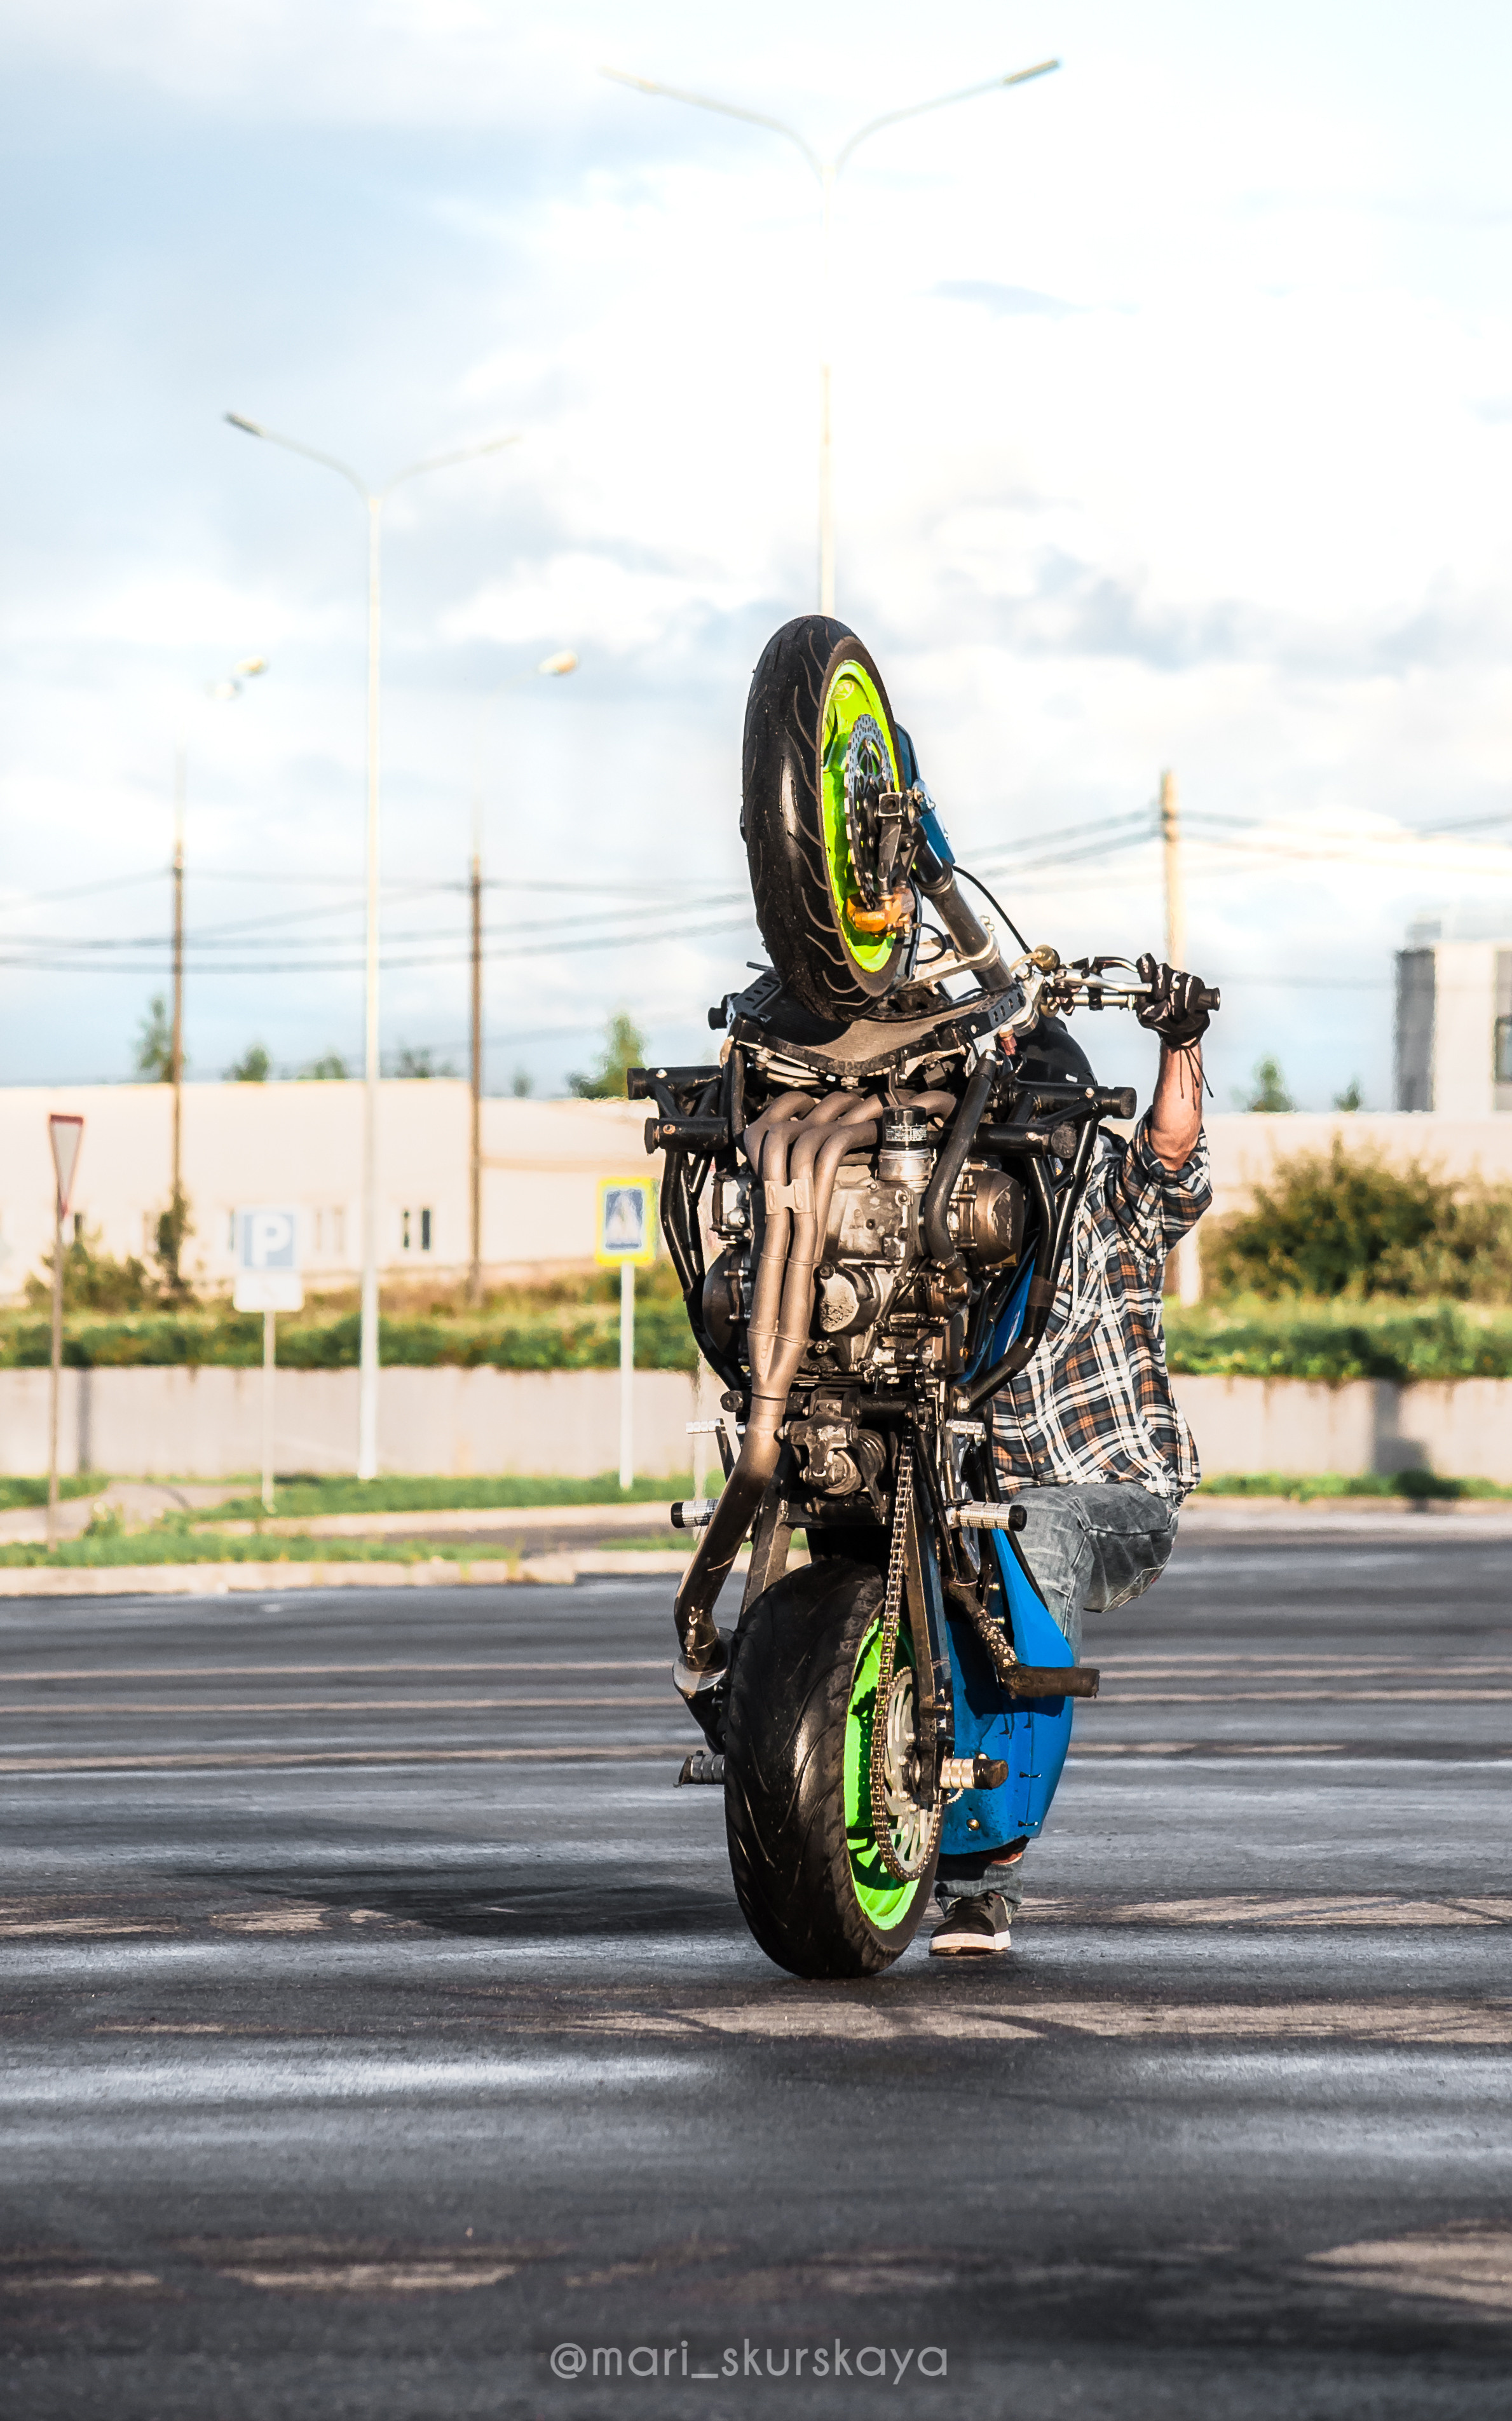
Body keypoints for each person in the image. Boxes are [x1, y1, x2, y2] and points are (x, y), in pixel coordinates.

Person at [930, 956, 1215, 1956]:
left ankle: (987, 1876)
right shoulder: (955, 1230)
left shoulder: (1107, 1203)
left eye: (1035, 1127)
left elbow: (1171, 1151)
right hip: (988, 1513)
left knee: (1040, 1523)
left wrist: (1180, 1042)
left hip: (1119, 1502)